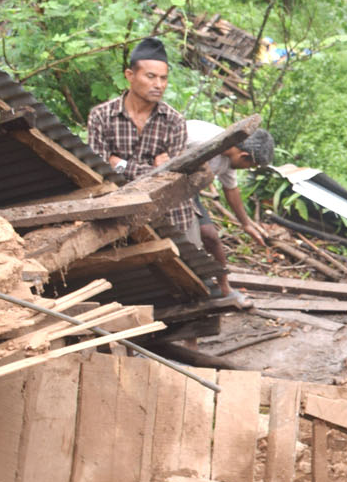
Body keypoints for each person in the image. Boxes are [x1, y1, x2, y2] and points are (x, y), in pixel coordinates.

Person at [87, 37, 189, 233]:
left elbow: (171, 179)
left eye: (163, 78)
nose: (159, 84)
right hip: (118, 212)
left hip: (169, 215)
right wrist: (153, 169)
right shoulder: (102, 116)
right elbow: (98, 171)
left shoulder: (174, 121)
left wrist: (120, 164)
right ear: (130, 75)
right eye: (151, 76)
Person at [182, 119, 273, 297]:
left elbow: (231, 190)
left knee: (211, 236)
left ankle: (224, 287)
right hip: (165, 183)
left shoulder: (229, 158)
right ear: (244, 156)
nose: (246, 169)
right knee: (189, 239)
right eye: (250, 166)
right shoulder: (202, 141)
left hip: (188, 192)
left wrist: (246, 224)